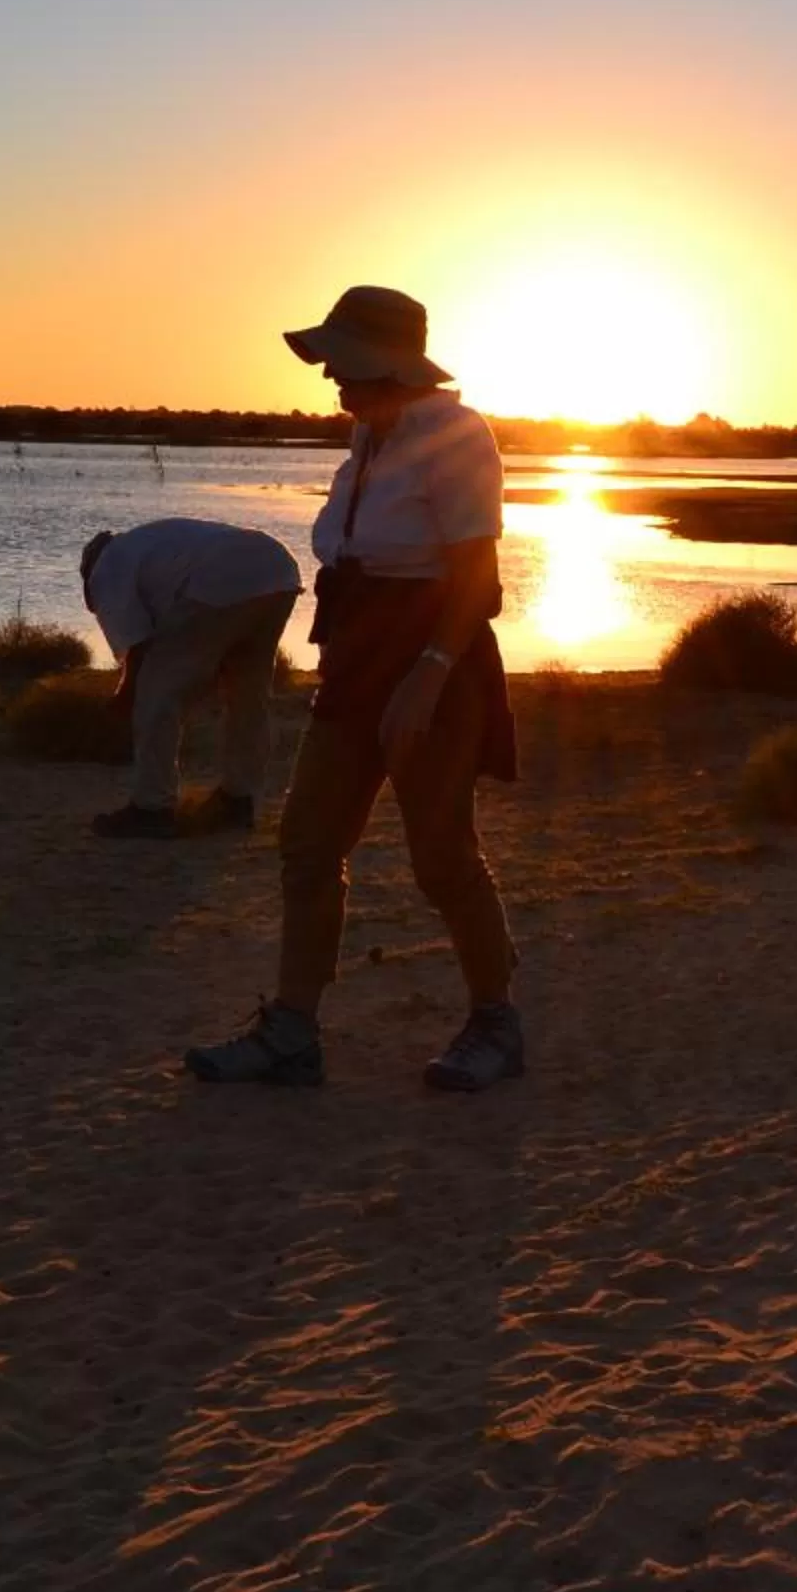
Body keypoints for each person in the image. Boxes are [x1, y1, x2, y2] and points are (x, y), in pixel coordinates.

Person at [182, 286, 525, 1092]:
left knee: (442, 859)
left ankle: (496, 1022)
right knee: (307, 845)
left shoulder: (456, 435)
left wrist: (429, 679)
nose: (330, 375)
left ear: (391, 366)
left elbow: (479, 582)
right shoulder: (366, 440)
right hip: (358, 656)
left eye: (343, 360)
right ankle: (294, 1033)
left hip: (432, 656)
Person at [77, 519, 302, 838]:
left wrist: (125, 698)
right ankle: (238, 800)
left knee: (157, 695)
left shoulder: (106, 569)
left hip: (218, 578)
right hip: (279, 569)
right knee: (249, 693)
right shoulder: (149, 543)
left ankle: (151, 808)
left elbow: (138, 646)